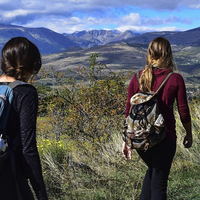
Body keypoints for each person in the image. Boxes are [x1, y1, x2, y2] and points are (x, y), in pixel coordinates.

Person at [122, 37, 192, 200]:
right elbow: (184, 112)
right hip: (164, 138)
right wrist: (189, 134)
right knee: (159, 184)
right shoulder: (175, 79)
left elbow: (129, 110)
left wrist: (126, 140)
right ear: (168, 54)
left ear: (149, 54)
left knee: (152, 173)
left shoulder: (137, 77)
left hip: (140, 138)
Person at [0, 37, 48, 200]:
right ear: (31, 65)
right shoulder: (26, 92)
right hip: (10, 175)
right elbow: (29, 148)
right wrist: (41, 194)